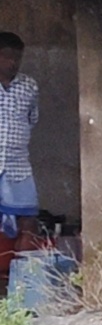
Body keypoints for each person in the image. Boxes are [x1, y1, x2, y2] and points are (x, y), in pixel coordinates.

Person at [0, 31, 39, 242]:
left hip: (18, 166)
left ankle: (22, 273)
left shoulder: (29, 86)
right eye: (7, 56)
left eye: (17, 57)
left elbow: (32, 118)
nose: (13, 62)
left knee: (28, 221)